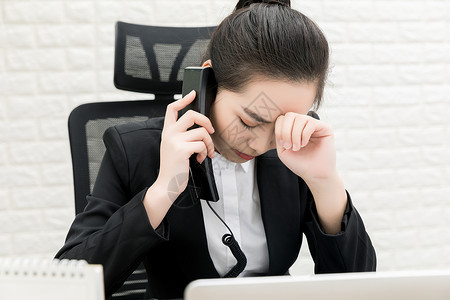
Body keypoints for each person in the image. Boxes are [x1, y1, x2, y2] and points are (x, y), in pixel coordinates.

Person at [56, 0, 376, 299]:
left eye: (282, 124)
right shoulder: (134, 149)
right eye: (251, 121)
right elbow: (69, 285)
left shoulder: (296, 148)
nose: (262, 143)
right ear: (210, 82)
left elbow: (357, 289)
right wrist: (163, 191)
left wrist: (326, 184)